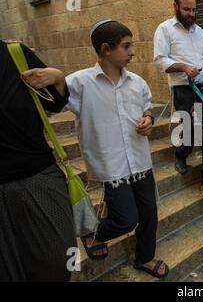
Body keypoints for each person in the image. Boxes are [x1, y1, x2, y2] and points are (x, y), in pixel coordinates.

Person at [65, 20, 169, 278]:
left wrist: (149, 119)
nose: (133, 51)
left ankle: (144, 258)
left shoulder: (137, 82)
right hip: (111, 166)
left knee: (149, 214)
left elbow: (146, 105)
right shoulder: (79, 83)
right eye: (126, 46)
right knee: (125, 220)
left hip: (140, 161)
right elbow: (50, 102)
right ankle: (94, 232)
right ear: (105, 49)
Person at [0, 40, 77, 281]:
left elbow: (55, 102)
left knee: (59, 261)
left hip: (37, 179)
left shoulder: (14, 54)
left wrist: (58, 78)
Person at [153, 0, 203, 183]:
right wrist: (184, 67)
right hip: (183, 88)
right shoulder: (165, 29)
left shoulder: (199, 30)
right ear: (175, 6)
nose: (191, 14)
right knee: (191, 128)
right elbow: (160, 61)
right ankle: (181, 154)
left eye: (194, 10)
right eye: (187, 9)